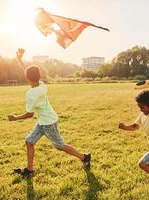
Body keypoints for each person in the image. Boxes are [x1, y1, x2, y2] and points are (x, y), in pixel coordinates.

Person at [8, 48, 91, 176]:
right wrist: (20, 60)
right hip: (44, 121)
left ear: (27, 78)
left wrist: (15, 118)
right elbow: (29, 73)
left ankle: (84, 157)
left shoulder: (31, 93)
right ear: (39, 76)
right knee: (29, 142)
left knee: (59, 145)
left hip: (49, 123)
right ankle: (29, 171)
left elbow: (30, 114)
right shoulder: (42, 85)